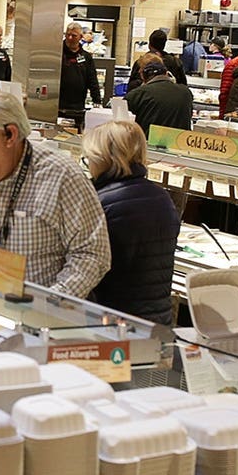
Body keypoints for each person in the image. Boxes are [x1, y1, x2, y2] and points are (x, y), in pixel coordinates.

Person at [0, 91, 110, 297]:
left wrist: (45, 306)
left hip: (31, 319)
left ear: (10, 134)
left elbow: (92, 254)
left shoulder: (60, 177)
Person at [82, 121, 180, 325]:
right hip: (157, 321)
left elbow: (88, 270)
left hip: (112, 324)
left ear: (102, 158)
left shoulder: (101, 203)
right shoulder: (162, 197)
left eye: (89, 158)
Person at [124, 53, 193, 140]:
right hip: (180, 148)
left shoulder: (138, 94)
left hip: (149, 148)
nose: (138, 72)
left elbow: (122, 125)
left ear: (144, 73)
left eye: (140, 70)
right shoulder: (186, 92)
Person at [59, 22, 102, 124]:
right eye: (67, 34)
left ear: (80, 37)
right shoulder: (58, 53)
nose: (70, 38)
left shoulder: (86, 57)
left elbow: (92, 80)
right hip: (57, 106)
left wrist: (97, 101)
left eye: (73, 35)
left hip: (77, 107)